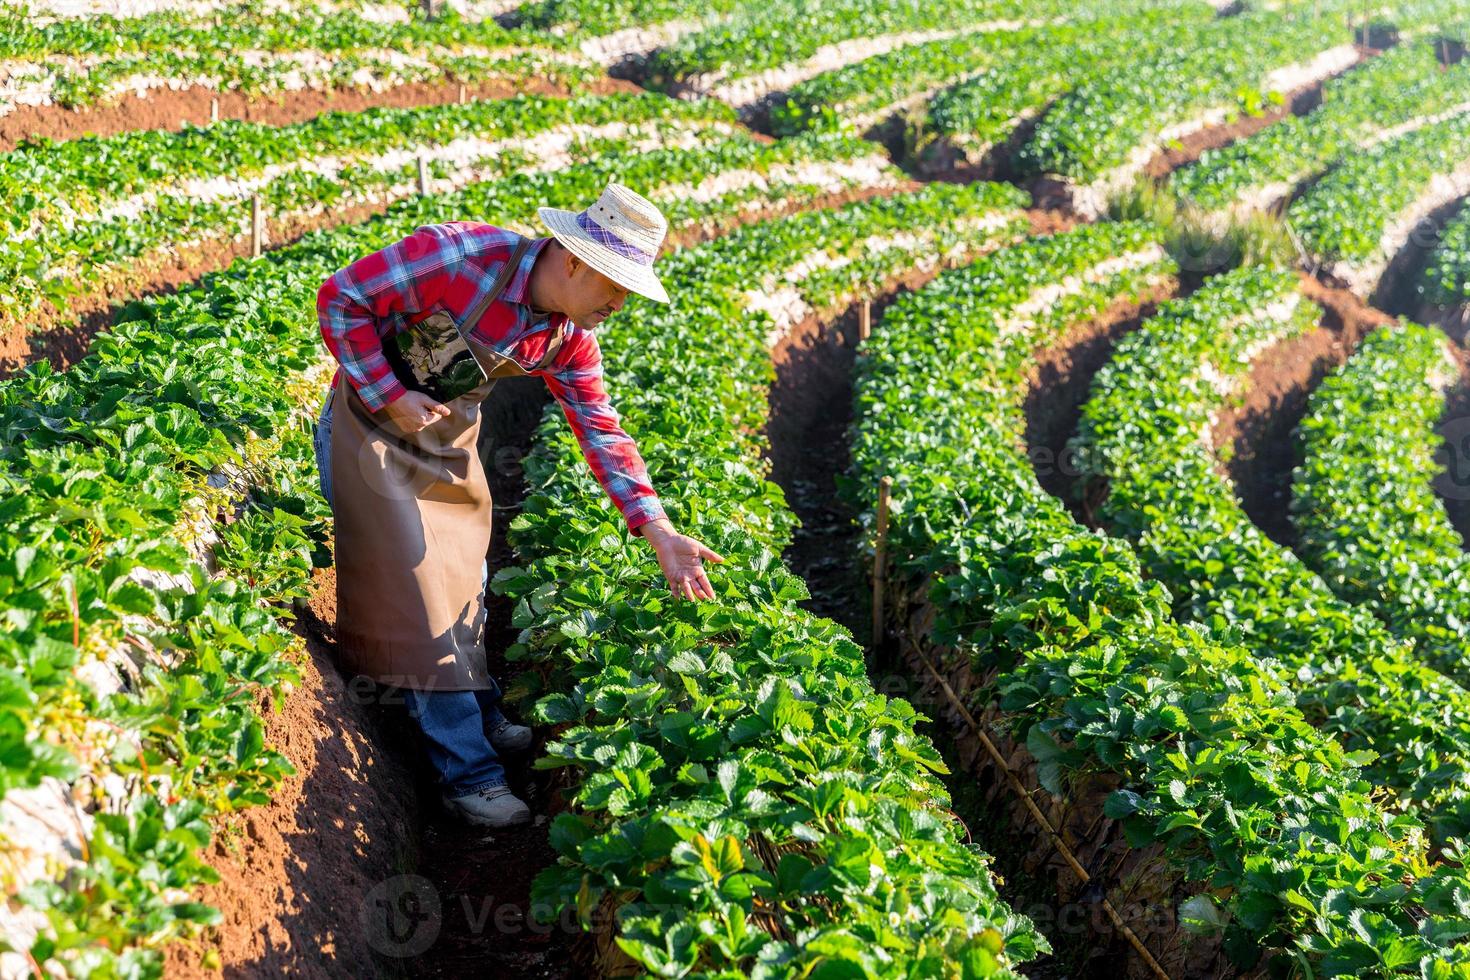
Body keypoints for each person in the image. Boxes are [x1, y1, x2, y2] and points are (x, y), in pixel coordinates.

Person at [312, 183, 724, 828]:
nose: (619, 304)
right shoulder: (460, 257)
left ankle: (481, 710)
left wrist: (658, 529)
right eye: (614, 286)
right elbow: (341, 297)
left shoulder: (566, 340)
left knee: (468, 583)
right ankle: (467, 776)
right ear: (574, 261)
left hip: (446, 444)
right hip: (369, 434)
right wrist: (390, 391)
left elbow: (600, 426)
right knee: (420, 598)